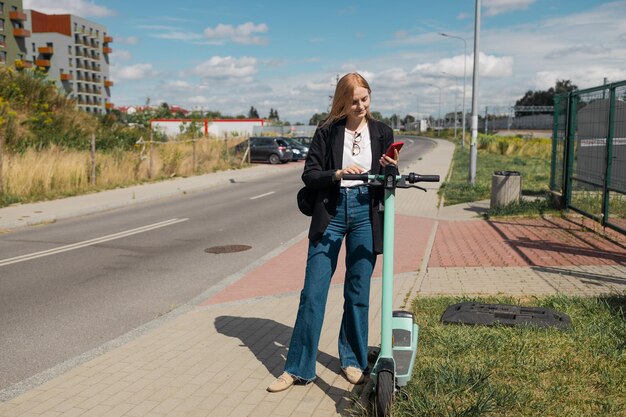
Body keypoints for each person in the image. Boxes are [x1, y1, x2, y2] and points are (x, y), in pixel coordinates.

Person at [267, 72, 398, 393]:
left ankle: (352, 360)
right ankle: (298, 367)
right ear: (341, 101)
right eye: (353, 101)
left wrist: (390, 167)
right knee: (313, 292)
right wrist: (338, 173)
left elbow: (389, 178)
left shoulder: (382, 132)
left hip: (366, 212)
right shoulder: (327, 131)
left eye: (365, 99)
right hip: (332, 213)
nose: (360, 106)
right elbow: (309, 175)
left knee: (358, 292)